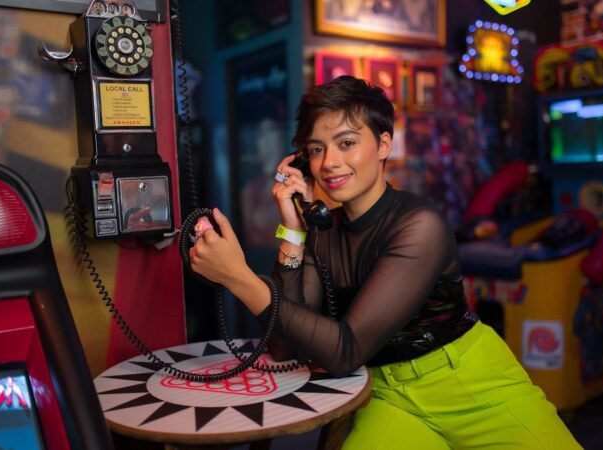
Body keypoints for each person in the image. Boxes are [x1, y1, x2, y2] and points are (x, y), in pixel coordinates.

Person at [189, 75, 581, 449]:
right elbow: (284, 348)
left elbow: (345, 350)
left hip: (466, 382)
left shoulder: (419, 225)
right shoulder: (321, 232)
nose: (329, 162)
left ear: (382, 145)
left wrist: (238, 277)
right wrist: (293, 231)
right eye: (317, 149)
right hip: (382, 392)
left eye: (346, 142)